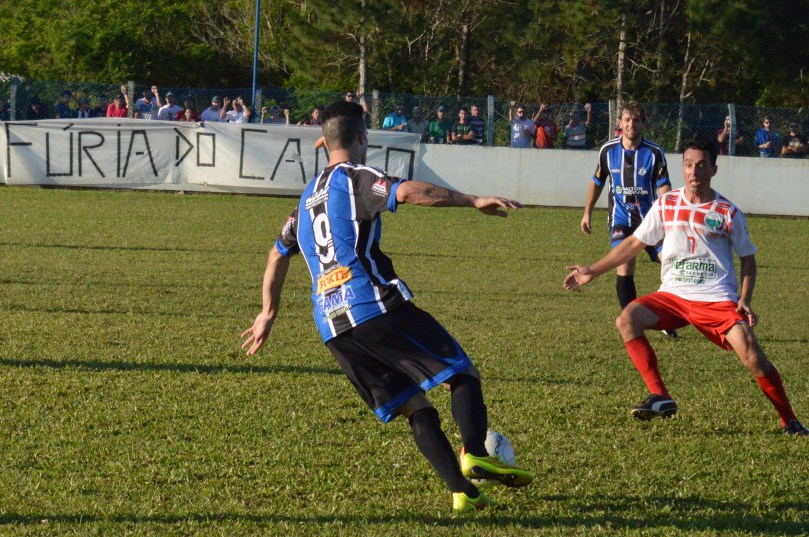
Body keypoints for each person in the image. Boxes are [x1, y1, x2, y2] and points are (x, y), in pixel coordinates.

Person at [241, 100, 535, 512]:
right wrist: (473, 200)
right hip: (373, 306)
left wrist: (266, 314)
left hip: (332, 328)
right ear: (363, 137)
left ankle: (462, 494)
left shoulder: (305, 201)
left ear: (323, 143)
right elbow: (409, 191)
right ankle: (477, 454)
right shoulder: (357, 176)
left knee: (413, 404)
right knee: (461, 371)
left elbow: (276, 256)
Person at [564, 139, 808, 436]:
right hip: (673, 296)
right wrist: (592, 270)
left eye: (701, 165)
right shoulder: (667, 204)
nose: (694, 172)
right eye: (689, 165)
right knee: (626, 319)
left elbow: (748, 260)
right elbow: (632, 243)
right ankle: (661, 395)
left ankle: (790, 420)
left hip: (716, 300)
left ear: (713, 169)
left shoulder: (728, 211)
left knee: (753, 357)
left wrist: (744, 299)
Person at [580, 102, 677, 338]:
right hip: (620, 220)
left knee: (671, 265)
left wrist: (668, 217)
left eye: (636, 120)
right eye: (627, 120)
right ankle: (630, 320)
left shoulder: (654, 153)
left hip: (651, 220)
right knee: (625, 263)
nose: (631, 124)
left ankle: (664, 316)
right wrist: (587, 212)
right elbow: (597, 181)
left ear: (643, 123)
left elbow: (663, 185)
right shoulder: (608, 151)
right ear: (620, 123)